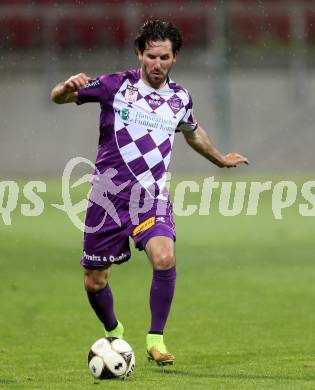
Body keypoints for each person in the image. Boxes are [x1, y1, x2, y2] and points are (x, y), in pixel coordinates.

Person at [51, 20, 248, 366]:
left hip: (150, 196)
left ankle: (156, 339)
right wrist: (66, 86)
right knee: (95, 282)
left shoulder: (180, 98)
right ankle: (115, 331)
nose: (158, 64)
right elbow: (60, 98)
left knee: (164, 257)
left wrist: (220, 159)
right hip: (107, 198)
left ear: (175, 58)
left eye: (165, 57)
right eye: (152, 56)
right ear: (140, 53)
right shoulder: (116, 85)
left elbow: (192, 130)